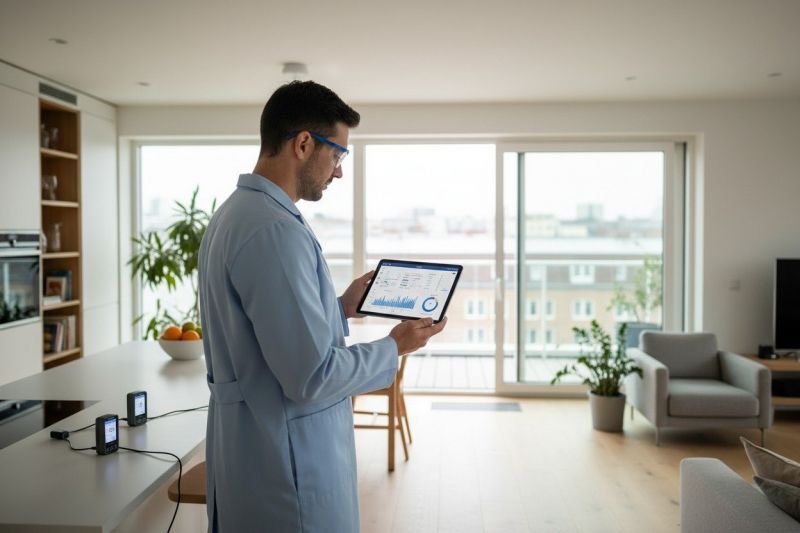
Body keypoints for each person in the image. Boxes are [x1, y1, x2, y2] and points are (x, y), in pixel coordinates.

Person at [198, 81, 447, 533]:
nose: (338, 172)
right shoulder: (275, 231)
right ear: (304, 144)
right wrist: (395, 346)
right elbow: (311, 377)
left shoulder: (234, 215)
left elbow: (263, 336)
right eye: (337, 156)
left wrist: (339, 309)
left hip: (250, 455)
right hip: (287, 473)